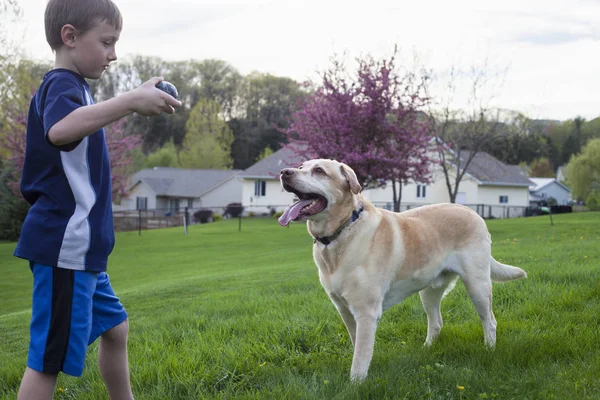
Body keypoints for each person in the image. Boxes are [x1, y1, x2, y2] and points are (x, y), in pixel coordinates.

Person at [13, 0, 181, 399]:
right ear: (69, 37)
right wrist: (127, 102)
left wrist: (122, 103)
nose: (114, 54)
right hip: (64, 246)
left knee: (115, 328)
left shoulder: (80, 92)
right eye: (107, 42)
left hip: (82, 250)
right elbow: (59, 131)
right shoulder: (61, 85)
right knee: (47, 360)